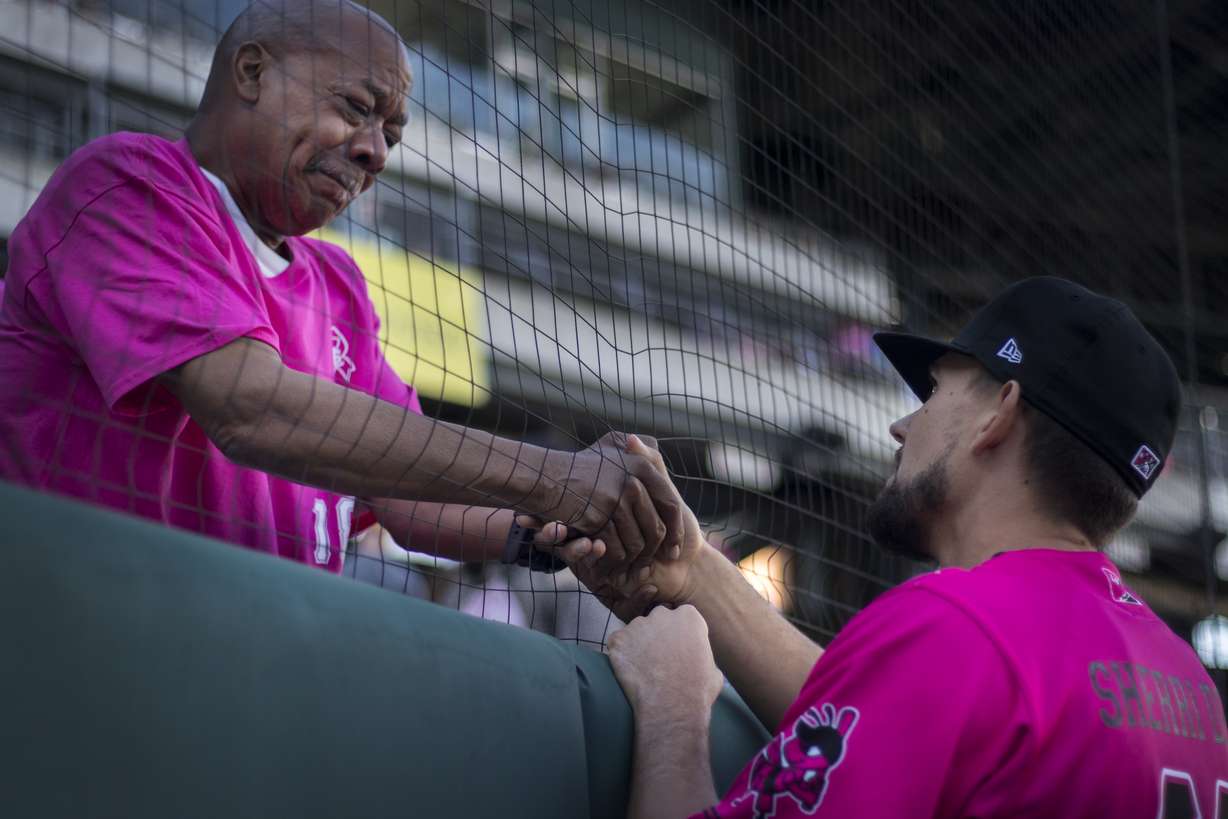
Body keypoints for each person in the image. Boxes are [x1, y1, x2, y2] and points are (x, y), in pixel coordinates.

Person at [0, 0, 681, 577]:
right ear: (253, 72)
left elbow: (406, 499)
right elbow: (248, 407)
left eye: (390, 132)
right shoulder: (128, 185)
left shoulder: (339, 285)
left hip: (268, 654)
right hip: (82, 612)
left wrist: (547, 525)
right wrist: (557, 476)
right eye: (357, 108)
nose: (375, 151)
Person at [556, 278, 1228, 818]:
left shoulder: (955, 624)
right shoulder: (1189, 685)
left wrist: (673, 703)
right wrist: (695, 570)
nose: (902, 424)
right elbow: (907, 718)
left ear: (999, 413)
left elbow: (945, 676)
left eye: (935, 390)